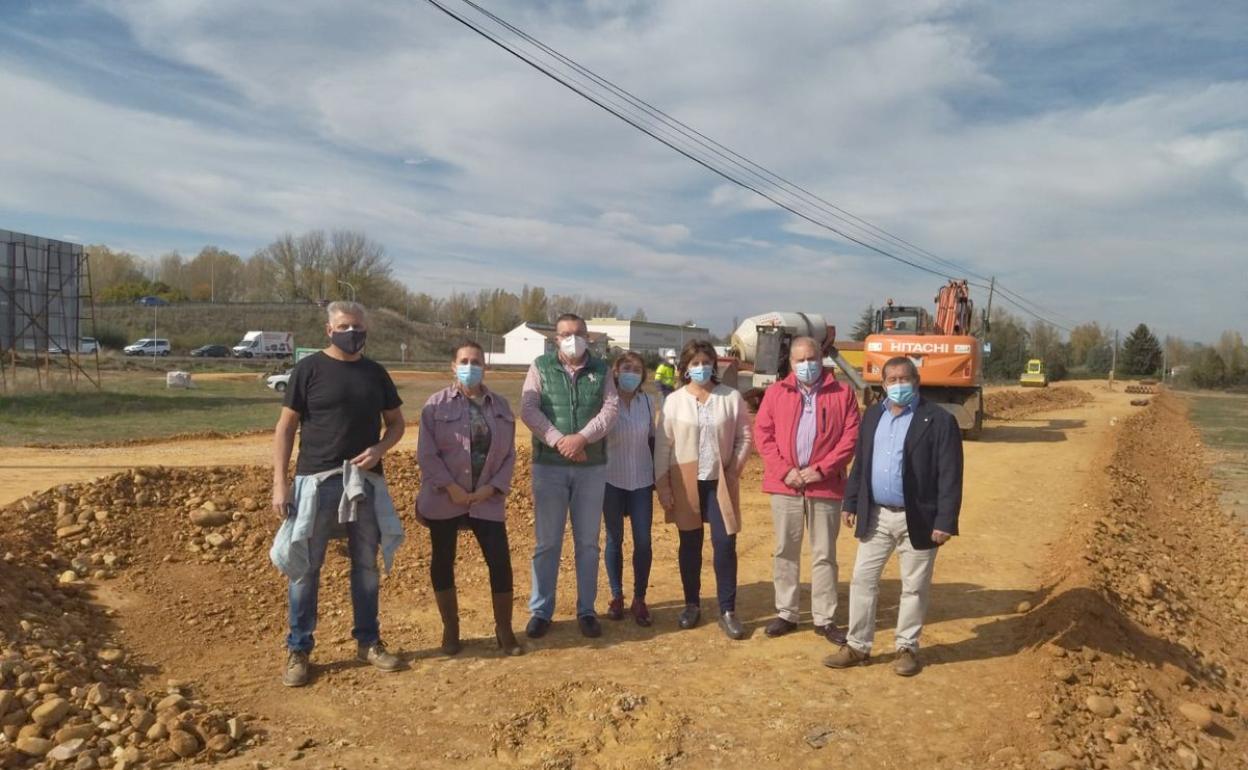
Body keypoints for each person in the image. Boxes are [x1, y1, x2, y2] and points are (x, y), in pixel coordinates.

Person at [271, 301, 406, 687]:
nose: (353, 332)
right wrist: (280, 482)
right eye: (345, 326)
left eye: (358, 327)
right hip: (315, 481)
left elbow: (396, 424)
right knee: (305, 568)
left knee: (365, 566)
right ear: (329, 330)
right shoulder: (308, 369)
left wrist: (379, 450)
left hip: (364, 484)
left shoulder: (375, 373)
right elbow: (285, 428)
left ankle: (368, 642)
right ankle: (299, 648)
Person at [823, 356, 963, 677]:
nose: (899, 384)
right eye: (892, 379)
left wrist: (945, 520)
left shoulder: (939, 420)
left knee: (913, 586)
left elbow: (950, 475)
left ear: (916, 380)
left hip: (919, 517)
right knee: (862, 580)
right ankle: (858, 645)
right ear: (883, 384)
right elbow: (861, 465)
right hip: (876, 515)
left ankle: (907, 648)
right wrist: (850, 502)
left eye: (905, 378)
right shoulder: (873, 416)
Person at [416, 341, 522, 657]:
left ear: (484, 367)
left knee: (500, 562)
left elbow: (510, 455)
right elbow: (426, 454)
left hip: (486, 498)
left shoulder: (501, 406)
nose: (470, 366)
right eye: (464, 360)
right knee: (443, 560)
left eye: (476, 361)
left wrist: (492, 488)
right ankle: (451, 629)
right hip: (445, 497)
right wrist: (452, 488)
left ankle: (504, 629)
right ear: (453, 365)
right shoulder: (434, 406)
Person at [754, 336, 860, 644]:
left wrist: (821, 469)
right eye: (800, 360)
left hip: (825, 485)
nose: (806, 365)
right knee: (785, 550)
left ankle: (824, 617)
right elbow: (764, 434)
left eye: (811, 358)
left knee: (824, 553)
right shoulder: (775, 393)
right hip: (785, 484)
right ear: (791, 363)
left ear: (822, 358)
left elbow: (850, 437)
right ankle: (786, 612)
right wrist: (786, 471)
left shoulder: (842, 393)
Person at [520, 313, 619, 639]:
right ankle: (541, 611)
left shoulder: (602, 370)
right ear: (555, 338)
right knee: (547, 543)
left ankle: (586, 609)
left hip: (591, 468)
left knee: (588, 544)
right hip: (549, 466)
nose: (571, 338)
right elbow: (529, 408)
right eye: (565, 333)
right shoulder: (540, 367)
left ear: (588, 336)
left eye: (577, 333)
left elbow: (610, 410)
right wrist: (558, 440)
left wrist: (582, 439)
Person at [655, 339, 752, 640]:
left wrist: (734, 468)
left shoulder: (730, 397)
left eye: (706, 362)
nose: (701, 368)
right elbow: (662, 446)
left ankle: (727, 610)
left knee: (725, 545)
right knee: (690, 545)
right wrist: (664, 487)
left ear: (714, 365)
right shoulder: (674, 401)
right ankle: (691, 605)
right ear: (685, 369)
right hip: (685, 482)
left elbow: (744, 436)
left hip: (720, 481)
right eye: (695, 363)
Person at [602, 351, 656, 626]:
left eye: (637, 369)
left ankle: (639, 598)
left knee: (643, 541)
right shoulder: (606, 402)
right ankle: (616, 596)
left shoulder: (648, 402)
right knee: (614, 539)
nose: (631, 373)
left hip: (642, 481)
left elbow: (652, 439)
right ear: (615, 371)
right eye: (626, 367)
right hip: (611, 479)